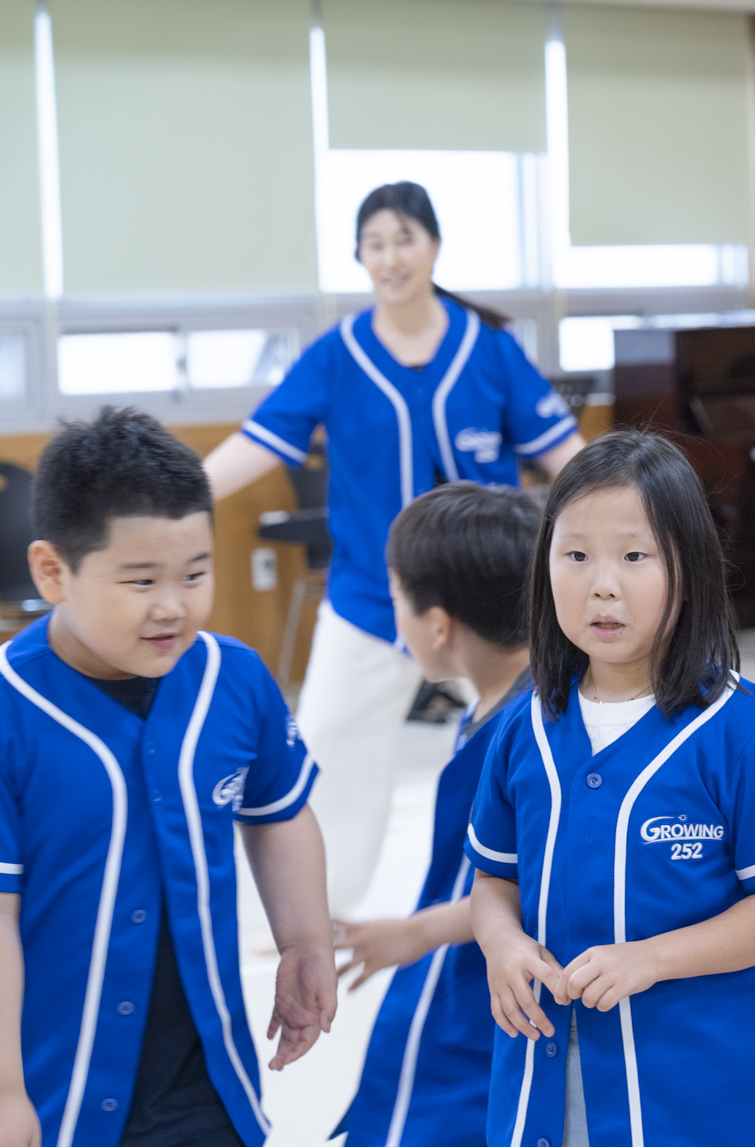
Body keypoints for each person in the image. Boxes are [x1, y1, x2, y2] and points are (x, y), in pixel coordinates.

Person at [201, 182, 584, 916]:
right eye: (374, 244)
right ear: (359, 256)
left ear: (434, 246)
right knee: (326, 757)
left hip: (494, 601)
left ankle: (558, 895)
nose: (390, 257)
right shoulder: (336, 355)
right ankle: (313, 916)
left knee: (540, 742)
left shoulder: (489, 349)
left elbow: (565, 454)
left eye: (404, 239)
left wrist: (635, 512)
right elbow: (260, 440)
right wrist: (180, 492)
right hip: (370, 598)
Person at [464, 431, 755, 1147]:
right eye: (575, 555)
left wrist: (649, 959)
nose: (603, 584)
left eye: (634, 556)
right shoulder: (521, 726)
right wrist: (500, 942)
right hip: (547, 1095)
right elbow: (493, 881)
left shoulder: (738, 729)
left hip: (702, 1105)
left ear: (689, 568)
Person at [0, 408, 335, 1147]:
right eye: (140, 580)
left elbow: (278, 811)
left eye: (194, 574)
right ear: (53, 572)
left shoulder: (233, 677)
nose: (172, 606)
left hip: (207, 1082)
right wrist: (5, 1091)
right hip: (56, 1090)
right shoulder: (9, 708)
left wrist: (305, 941)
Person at [332, 482, 539, 1147]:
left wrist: (416, 932)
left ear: (439, 625)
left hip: (480, 1000)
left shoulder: (522, 734)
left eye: (396, 597)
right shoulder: (503, 706)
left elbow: (534, 885)